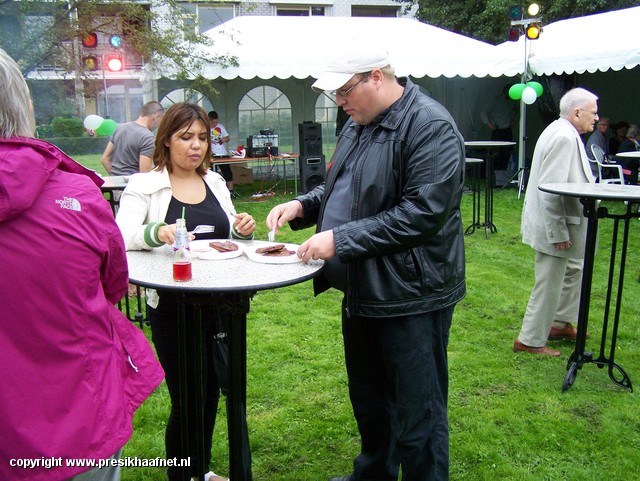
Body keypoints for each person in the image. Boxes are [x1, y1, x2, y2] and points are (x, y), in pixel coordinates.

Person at [266, 45, 466, 481]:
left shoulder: (430, 126)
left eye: (344, 90)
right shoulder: (359, 122)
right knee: (371, 399)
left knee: (419, 413)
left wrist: (340, 239)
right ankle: (373, 473)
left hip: (412, 293)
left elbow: (423, 213)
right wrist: (303, 206)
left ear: (376, 76)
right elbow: (346, 189)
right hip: (363, 287)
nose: (339, 101)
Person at [0, 47, 164, 481]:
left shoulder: (109, 153)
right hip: (79, 418)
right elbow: (112, 284)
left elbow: (108, 161)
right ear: (24, 107)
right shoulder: (80, 193)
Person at [116, 102, 256, 481]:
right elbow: (118, 236)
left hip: (223, 303)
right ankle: (183, 475)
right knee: (187, 399)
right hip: (174, 308)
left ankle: (201, 470)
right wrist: (155, 232)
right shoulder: (144, 185)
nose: (195, 146)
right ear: (166, 140)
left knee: (211, 393)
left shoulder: (213, 182)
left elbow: (229, 234)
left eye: (201, 138)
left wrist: (242, 228)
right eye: (185, 137)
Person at [514, 88, 598, 357]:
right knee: (549, 282)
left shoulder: (561, 129)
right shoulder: (563, 137)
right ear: (577, 112)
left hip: (561, 222)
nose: (596, 118)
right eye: (593, 112)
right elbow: (550, 190)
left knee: (574, 268)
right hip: (555, 225)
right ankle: (530, 340)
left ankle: (560, 323)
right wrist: (557, 232)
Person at [101, 100, 165, 175]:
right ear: (156, 116)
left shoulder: (120, 128)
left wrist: (116, 177)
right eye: (161, 120)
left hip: (116, 184)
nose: (159, 125)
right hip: (135, 184)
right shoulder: (148, 138)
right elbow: (144, 174)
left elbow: (105, 159)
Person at [480, 84, 518, 170]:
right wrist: (489, 125)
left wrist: (513, 121)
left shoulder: (513, 101)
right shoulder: (496, 101)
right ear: (505, 92)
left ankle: (503, 173)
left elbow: (517, 111)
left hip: (507, 130)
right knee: (496, 154)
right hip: (497, 130)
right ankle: (494, 173)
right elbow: (483, 112)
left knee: (506, 153)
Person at [208, 110, 237, 197]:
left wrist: (224, 139)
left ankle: (230, 191)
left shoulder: (220, 127)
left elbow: (228, 138)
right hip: (212, 154)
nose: (215, 124)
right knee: (212, 173)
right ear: (209, 120)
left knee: (227, 171)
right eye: (213, 122)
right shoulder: (205, 128)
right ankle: (213, 192)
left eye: (216, 122)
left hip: (222, 153)